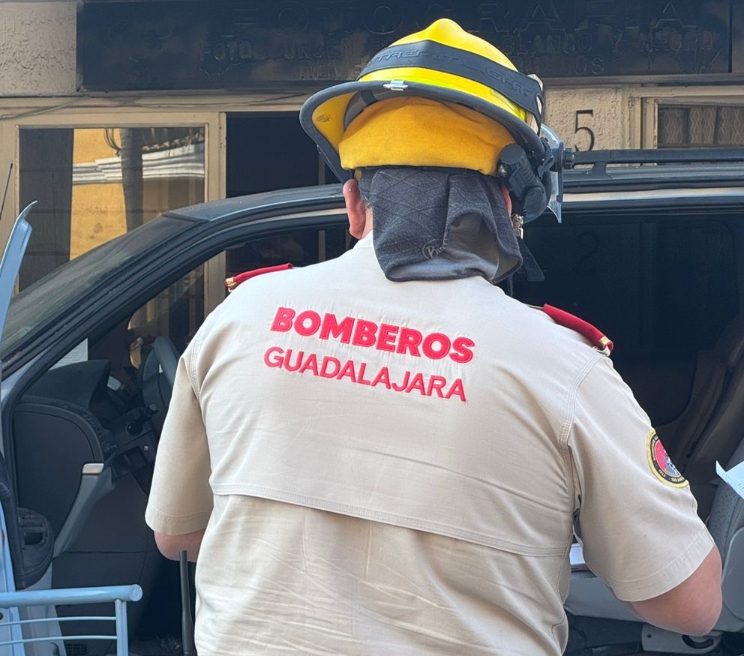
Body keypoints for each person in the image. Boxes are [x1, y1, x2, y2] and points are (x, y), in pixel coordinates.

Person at [143, 18, 722, 656]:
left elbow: (178, 539)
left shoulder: (239, 318)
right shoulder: (561, 365)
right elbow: (691, 605)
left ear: (355, 202)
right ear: (508, 208)